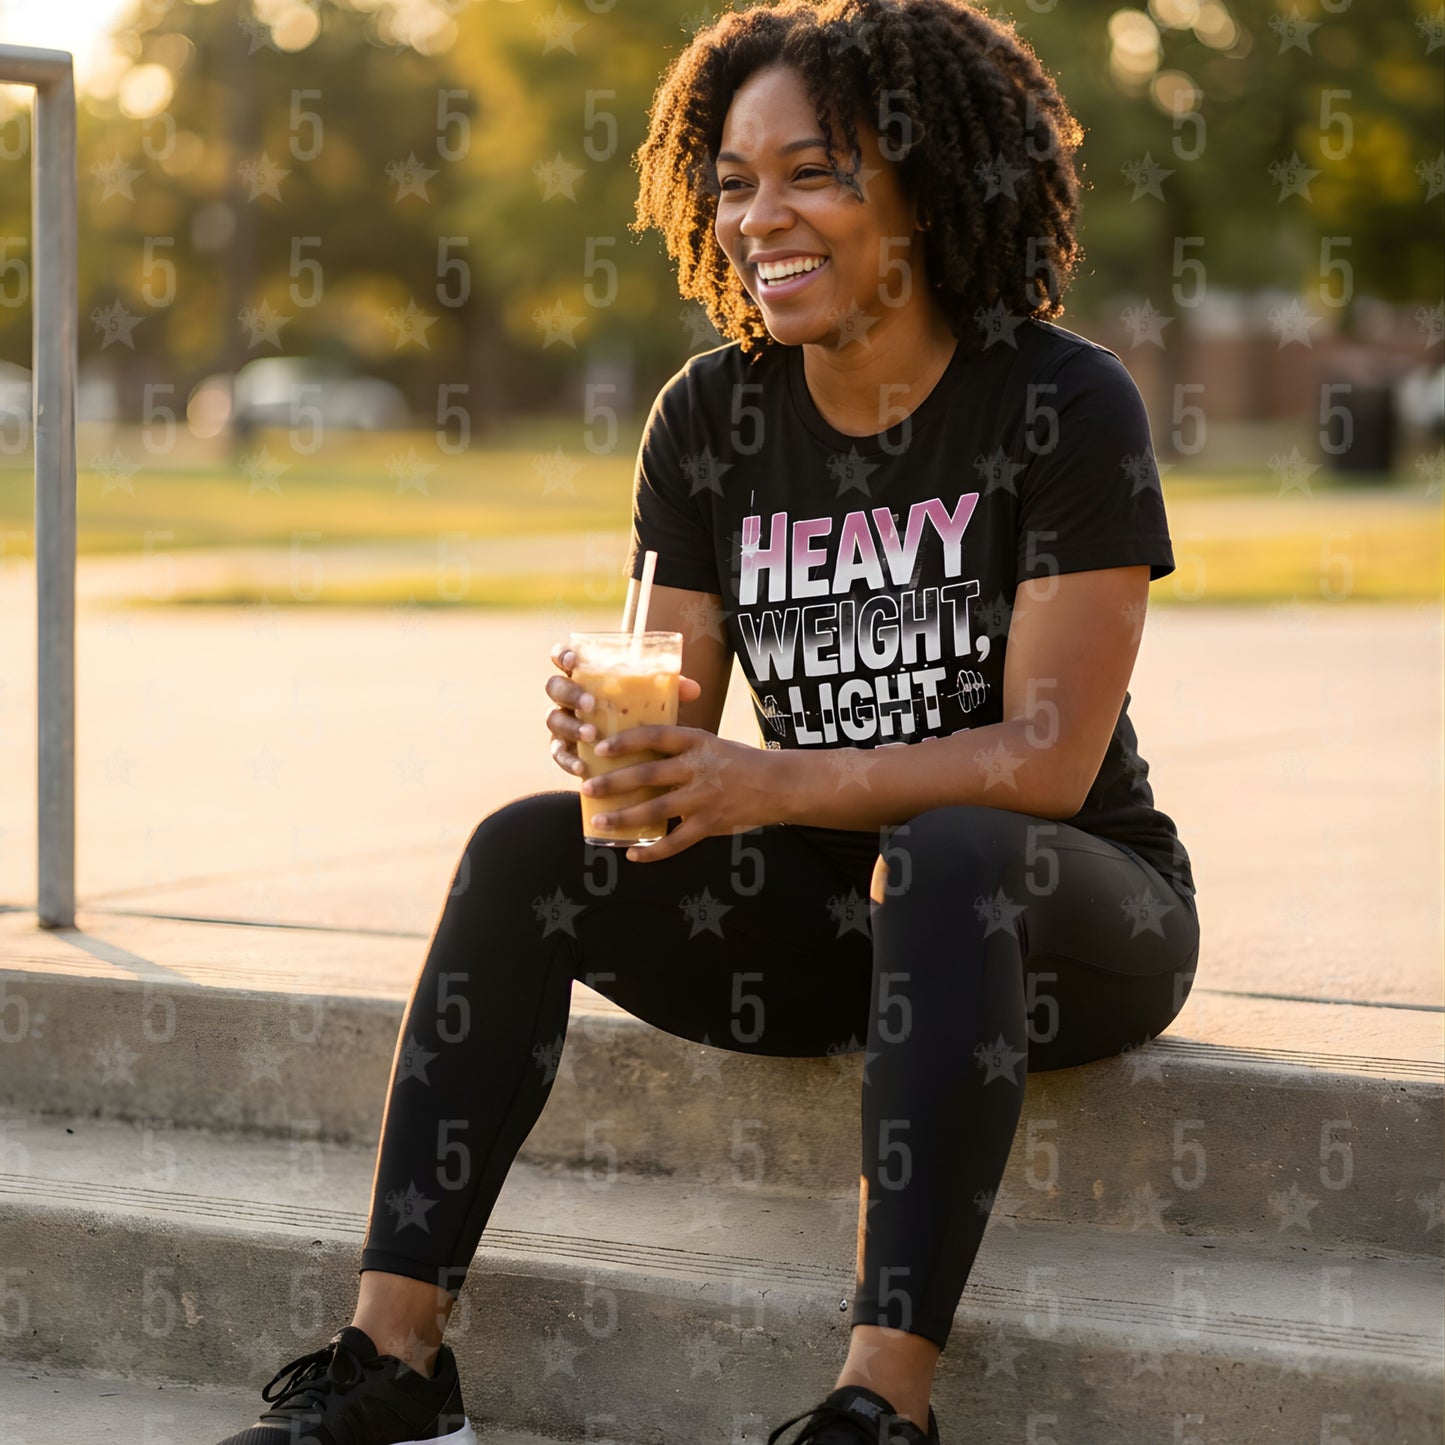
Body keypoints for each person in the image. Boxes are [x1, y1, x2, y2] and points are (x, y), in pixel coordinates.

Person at [216, 1, 1200, 1442]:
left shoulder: (1060, 400)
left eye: (812, 172)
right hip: (829, 925)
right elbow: (677, 735)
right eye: (732, 183)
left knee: (951, 851)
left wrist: (762, 776)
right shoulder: (708, 418)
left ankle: (881, 1403)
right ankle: (400, 1363)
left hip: (1054, 914)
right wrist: (628, 744)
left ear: (923, 186)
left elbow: (1043, 759)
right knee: (524, 848)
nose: (759, 218)